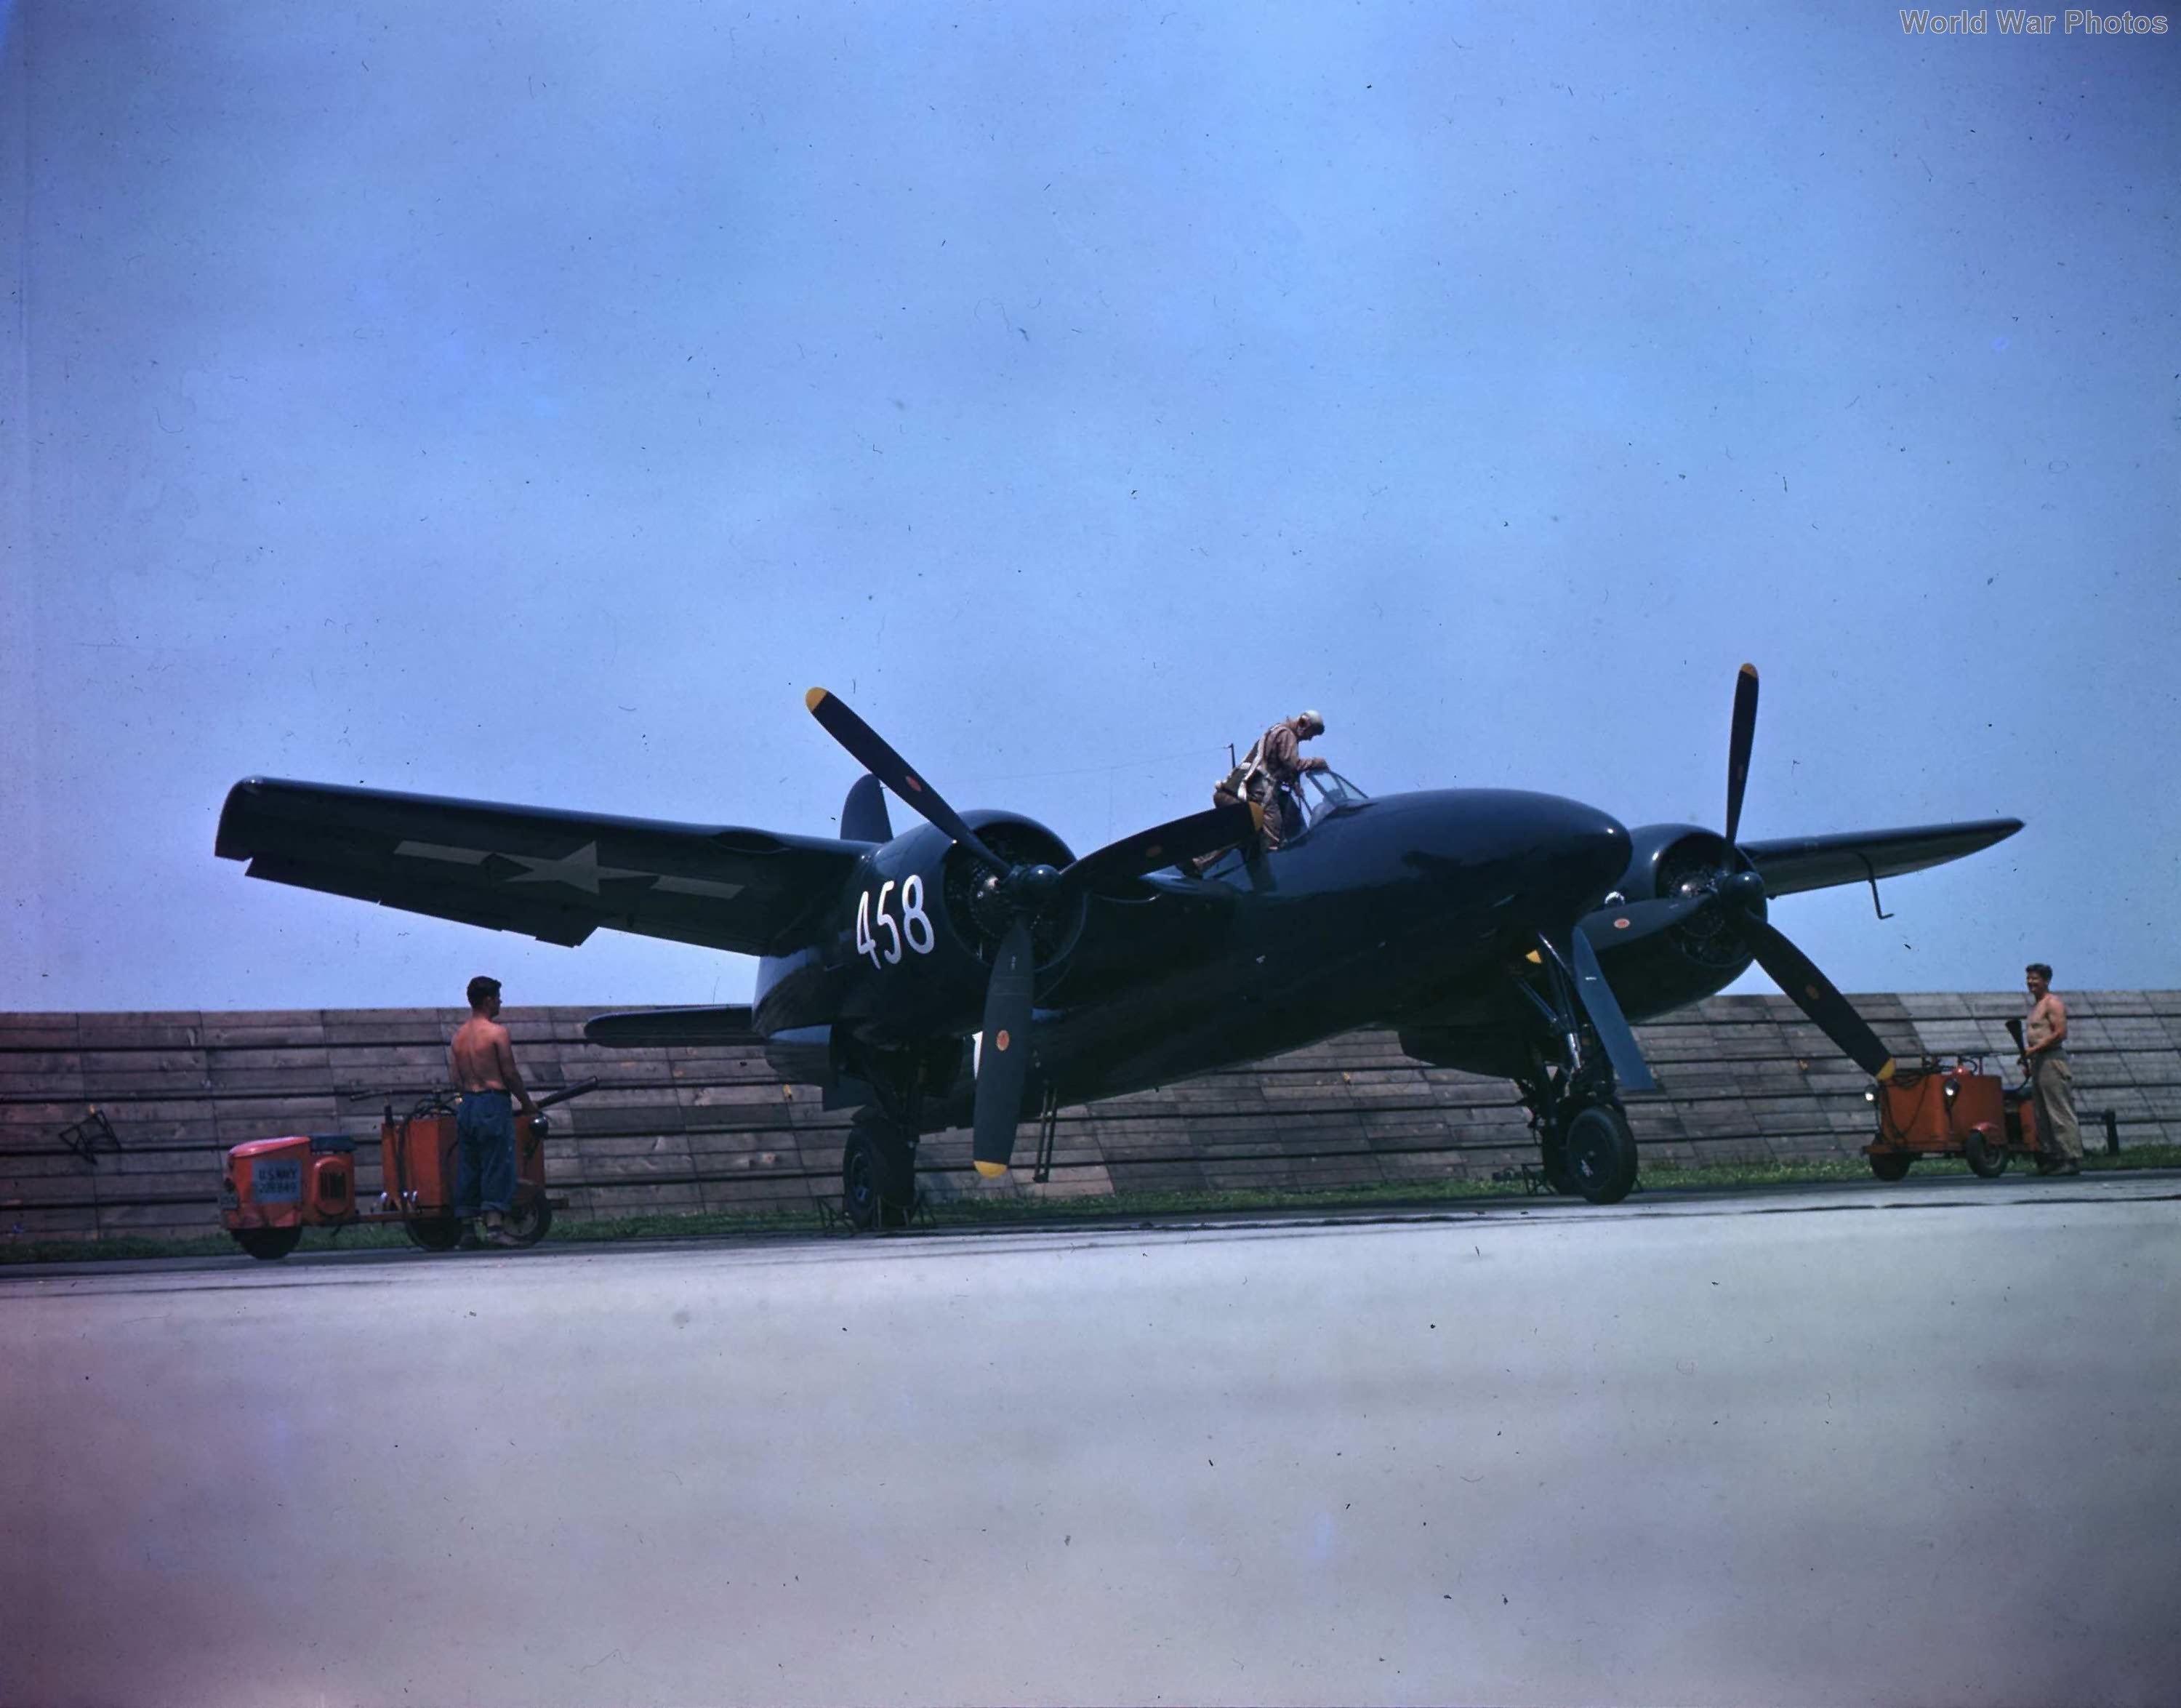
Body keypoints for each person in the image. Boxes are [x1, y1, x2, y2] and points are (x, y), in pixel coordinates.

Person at [448, 975, 539, 1245]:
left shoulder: (459, 1037)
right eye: (498, 998)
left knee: (468, 1165)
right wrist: (527, 1103)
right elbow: (509, 1074)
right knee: (497, 1163)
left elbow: (457, 1080)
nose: (501, 1002)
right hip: (492, 1102)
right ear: (488, 1000)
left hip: (468, 1105)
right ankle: (495, 1228)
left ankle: (467, 1230)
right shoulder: (497, 1033)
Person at [2021, 963, 2083, 1176]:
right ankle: (2053, 1158)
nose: (2031, 982)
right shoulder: (2036, 1007)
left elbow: (2060, 1033)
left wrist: (2034, 1050)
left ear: (2046, 981)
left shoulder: (2053, 1003)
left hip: (2052, 1060)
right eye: (2029, 978)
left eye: (2035, 978)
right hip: (2039, 1061)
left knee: (2059, 1110)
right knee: (2042, 1114)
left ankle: (2070, 1158)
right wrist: (2031, 1061)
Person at [1236, 710, 1328, 850]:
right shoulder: (1287, 735)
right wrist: (1317, 763)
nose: (1310, 739)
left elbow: (1280, 765)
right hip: (1264, 792)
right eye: (1312, 734)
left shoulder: (1280, 731)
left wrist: (1294, 783)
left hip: (1261, 789)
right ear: (1305, 725)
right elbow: (1294, 764)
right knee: (1275, 837)